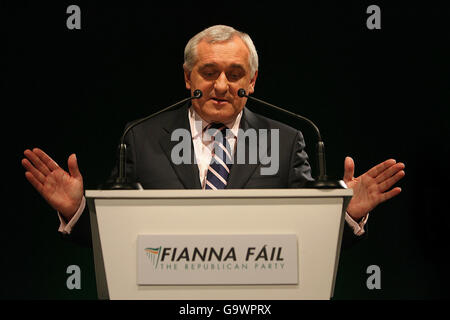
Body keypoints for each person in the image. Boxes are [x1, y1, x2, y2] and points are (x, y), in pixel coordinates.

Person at [21, 25, 405, 246]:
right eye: (208, 72)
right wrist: (76, 210)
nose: (221, 85)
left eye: (235, 74)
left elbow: (308, 230)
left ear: (252, 81)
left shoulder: (287, 141)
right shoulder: (141, 136)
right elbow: (116, 237)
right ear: (188, 77)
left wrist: (345, 214)